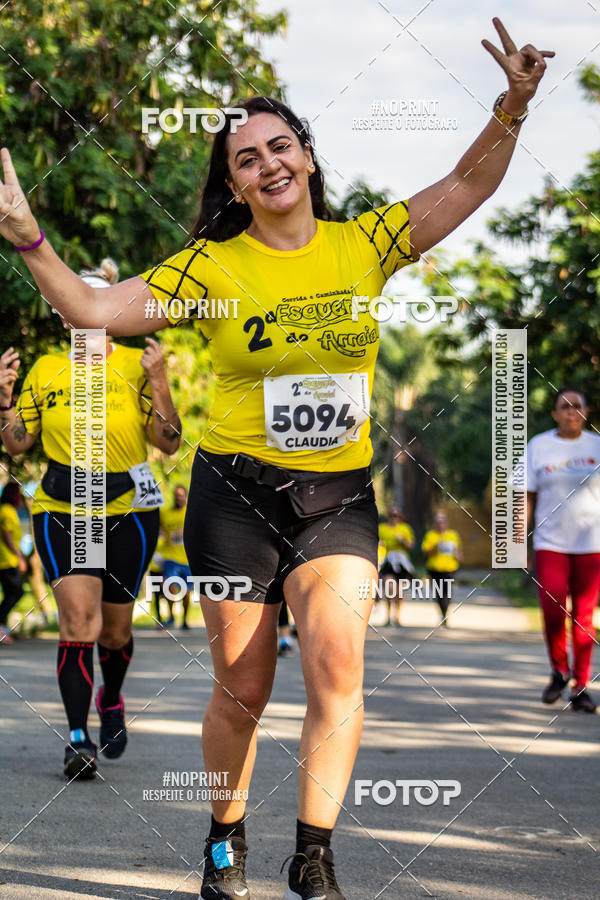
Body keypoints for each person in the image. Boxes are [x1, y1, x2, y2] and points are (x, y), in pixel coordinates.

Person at [0, 19, 553, 897]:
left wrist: (512, 108)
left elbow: (464, 186)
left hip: (335, 497)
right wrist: (28, 234)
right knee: (243, 688)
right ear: (234, 184)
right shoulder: (209, 269)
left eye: (280, 145)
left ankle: (315, 854)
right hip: (233, 501)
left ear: (307, 157)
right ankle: (225, 839)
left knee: (338, 671)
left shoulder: (362, 244)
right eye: (247, 158)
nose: (269, 164)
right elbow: (95, 309)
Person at [0, 259, 181, 779]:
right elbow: (17, 443)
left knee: (115, 632)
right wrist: (5, 402)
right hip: (65, 505)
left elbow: (167, 442)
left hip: (128, 508)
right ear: (63, 314)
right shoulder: (46, 369)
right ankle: (78, 738)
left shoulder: (134, 365)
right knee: (79, 621)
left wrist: (160, 381)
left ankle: (113, 696)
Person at [526, 387, 600, 713]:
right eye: (564, 407)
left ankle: (580, 686)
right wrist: (518, 542)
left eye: (577, 407)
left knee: (584, 617)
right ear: (555, 413)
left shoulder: (597, 446)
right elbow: (525, 495)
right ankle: (558, 669)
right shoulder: (538, 446)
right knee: (553, 609)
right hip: (550, 543)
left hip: (592, 544)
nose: (571, 412)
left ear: (586, 412)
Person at [160, 484, 192, 629]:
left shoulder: (191, 513)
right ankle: (171, 616)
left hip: (187, 559)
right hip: (170, 557)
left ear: (185, 496)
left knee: (185, 593)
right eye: (177, 495)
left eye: (181, 495)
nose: (179, 498)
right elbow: (158, 529)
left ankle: (184, 620)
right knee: (169, 586)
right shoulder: (165, 513)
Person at [422, 511, 462, 626]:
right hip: (434, 569)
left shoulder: (453, 535)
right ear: (434, 523)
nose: (440, 524)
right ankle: (442, 613)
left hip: (449, 569)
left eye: (442, 522)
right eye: (438, 522)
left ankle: (445, 615)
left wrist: (457, 556)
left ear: (446, 523)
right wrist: (436, 546)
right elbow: (426, 552)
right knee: (437, 594)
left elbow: (458, 552)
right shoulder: (430, 535)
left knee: (446, 592)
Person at [378, 506, 415, 627]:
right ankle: (388, 615)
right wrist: (379, 544)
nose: (394, 518)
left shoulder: (405, 528)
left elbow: (410, 546)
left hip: (402, 561)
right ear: (388, 517)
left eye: (396, 515)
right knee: (389, 586)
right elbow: (374, 542)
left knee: (399, 591)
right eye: (392, 515)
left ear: (400, 517)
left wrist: (402, 540)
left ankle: (397, 616)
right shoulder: (382, 528)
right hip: (388, 560)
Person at [0, 483, 27, 644]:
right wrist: (19, 557)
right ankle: (1, 626)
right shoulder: (7, 511)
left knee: (11, 593)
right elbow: (7, 535)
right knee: (15, 592)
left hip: (6, 559)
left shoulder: (4, 510)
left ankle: (2, 627)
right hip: (6, 560)